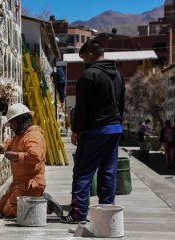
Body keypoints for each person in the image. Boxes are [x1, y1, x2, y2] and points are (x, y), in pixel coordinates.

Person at [65, 39, 125, 223]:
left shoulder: (88, 75)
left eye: (84, 58)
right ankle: (107, 213)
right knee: (108, 171)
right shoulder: (118, 75)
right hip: (114, 128)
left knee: (83, 171)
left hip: (94, 131)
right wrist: (117, 123)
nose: (83, 63)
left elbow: (82, 107)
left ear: (90, 54)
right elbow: (122, 104)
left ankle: (78, 213)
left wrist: (76, 130)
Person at [0, 103, 62, 218]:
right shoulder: (20, 135)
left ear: (20, 120)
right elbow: (11, 143)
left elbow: (35, 156)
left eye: (12, 123)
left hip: (32, 183)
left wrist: (16, 156)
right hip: (19, 183)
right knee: (1, 208)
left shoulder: (33, 136)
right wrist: (3, 146)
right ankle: (38, 200)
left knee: (9, 211)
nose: (10, 127)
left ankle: (45, 205)